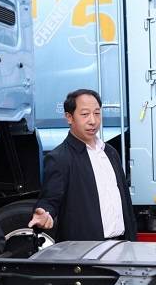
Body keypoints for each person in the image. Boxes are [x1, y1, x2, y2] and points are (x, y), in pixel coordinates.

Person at [28, 89, 136, 241]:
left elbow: (125, 202)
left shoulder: (110, 152)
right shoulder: (59, 158)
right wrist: (44, 214)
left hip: (121, 244)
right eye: (85, 114)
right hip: (85, 249)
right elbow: (50, 200)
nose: (93, 121)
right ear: (69, 117)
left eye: (97, 113)